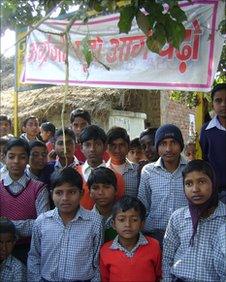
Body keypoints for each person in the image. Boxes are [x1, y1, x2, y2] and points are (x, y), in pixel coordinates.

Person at [27, 167, 103, 282]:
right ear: (52, 194)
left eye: (71, 192)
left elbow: (97, 262)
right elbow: (34, 257)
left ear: (81, 193)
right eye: (59, 192)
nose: (65, 198)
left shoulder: (94, 222)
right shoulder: (42, 222)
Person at [163, 159, 226, 281]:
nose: (195, 189)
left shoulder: (224, 218)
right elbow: (167, 257)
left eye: (202, 181)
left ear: (213, 182)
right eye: (188, 184)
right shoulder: (178, 217)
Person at [0, 138, 49, 263]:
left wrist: (8, 225)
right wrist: (28, 225)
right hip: (2, 250)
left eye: (22, 157)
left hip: (31, 249)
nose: (16, 161)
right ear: (4, 158)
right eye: (11, 157)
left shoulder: (39, 188)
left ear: (27, 159)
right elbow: (35, 224)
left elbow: (42, 224)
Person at [138, 124, 187, 245]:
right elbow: (142, 204)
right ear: (157, 147)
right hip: (154, 235)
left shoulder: (191, 169)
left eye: (173, 143)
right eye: (163, 144)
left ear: (181, 145)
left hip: (184, 234)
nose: (168, 149)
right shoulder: (148, 171)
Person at [100, 195, 162, 282]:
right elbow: (104, 279)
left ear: (142, 224)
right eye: (122, 220)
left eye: (134, 220)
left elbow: (160, 275)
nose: (128, 225)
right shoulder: (106, 250)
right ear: (113, 224)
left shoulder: (154, 246)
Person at [77, 125, 125, 209]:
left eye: (97, 144)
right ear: (81, 148)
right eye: (87, 145)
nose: (92, 149)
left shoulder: (117, 178)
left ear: (105, 147)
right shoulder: (74, 175)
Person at [200, 83, 226, 203]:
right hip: (218, 193)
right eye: (218, 101)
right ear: (212, 104)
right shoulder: (206, 131)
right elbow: (205, 159)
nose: (223, 104)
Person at [106, 127, 139, 198]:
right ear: (106, 148)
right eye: (113, 145)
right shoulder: (102, 170)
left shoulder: (138, 171)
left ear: (128, 147)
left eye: (121, 145)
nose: (117, 150)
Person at [87, 167, 118, 241]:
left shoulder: (124, 219)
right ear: (90, 193)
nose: (101, 192)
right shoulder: (86, 221)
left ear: (116, 190)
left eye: (106, 187)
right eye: (95, 188)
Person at [0, 217, 26, 282]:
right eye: (0, 242)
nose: (4, 248)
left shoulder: (18, 269)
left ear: (14, 242)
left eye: (8, 242)